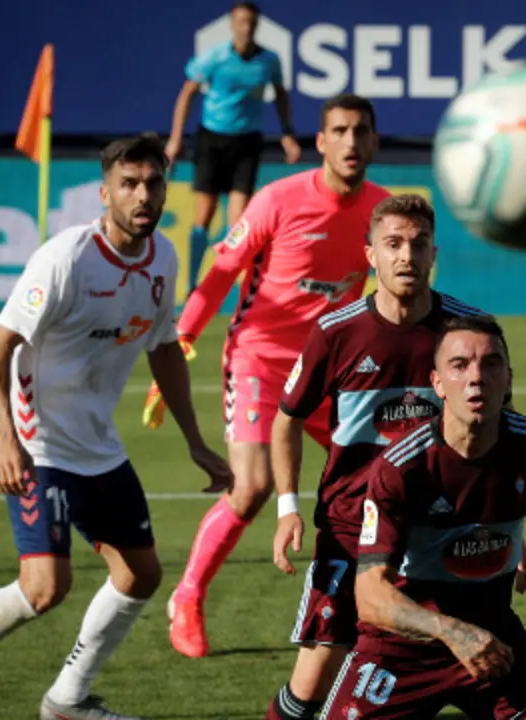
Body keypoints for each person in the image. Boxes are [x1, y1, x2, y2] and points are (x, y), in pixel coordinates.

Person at [0, 135, 233, 720]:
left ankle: (67, 701)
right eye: (129, 184)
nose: (142, 195)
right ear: (105, 193)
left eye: (152, 183)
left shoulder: (164, 260)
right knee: (46, 586)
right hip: (39, 444)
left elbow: (165, 348)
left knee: (141, 573)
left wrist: (195, 442)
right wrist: (5, 438)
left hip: (98, 446)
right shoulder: (67, 257)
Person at [264, 194, 525, 720]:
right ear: (371, 256)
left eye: (419, 244)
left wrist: (514, 531)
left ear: (434, 255)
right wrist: (287, 508)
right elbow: (286, 419)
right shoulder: (336, 331)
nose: (407, 256)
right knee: (312, 681)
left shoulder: (467, 333)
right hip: (349, 527)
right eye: (394, 244)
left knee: (475, 667)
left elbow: (498, 433)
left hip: (439, 533)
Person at [149, 93, 389, 659]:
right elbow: (222, 270)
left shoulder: (381, 211)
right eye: (339, 131)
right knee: (252, 485)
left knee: (384, 478)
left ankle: (388, 604)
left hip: (331, 368)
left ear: (374, 141)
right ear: (320, 141)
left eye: (361, 131)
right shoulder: (277, 200)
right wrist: (180, 338)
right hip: (259, 356)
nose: (351, 142)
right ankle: (187, 595)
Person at [322, 314, 526, 720]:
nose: (476, 377)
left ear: (509, 378)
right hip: (402, 652)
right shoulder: (401, 467)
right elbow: (371, 597)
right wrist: (451, 631)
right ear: (437, 383)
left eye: (491, 363)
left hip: (495, 640)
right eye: (460, 365)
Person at [166, 0, 304, 292]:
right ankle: (192, 286)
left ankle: (223, 285)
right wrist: (176, 138)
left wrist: (287, 132)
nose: (247, 28)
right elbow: (186, 94)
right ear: (232, 24)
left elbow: (281, 95)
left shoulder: (269, 61)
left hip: (247, 142)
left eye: (252, 23)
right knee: (204, 215)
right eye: (241, 22)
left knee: (239, 220)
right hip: (212, 139)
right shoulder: (213, 58)